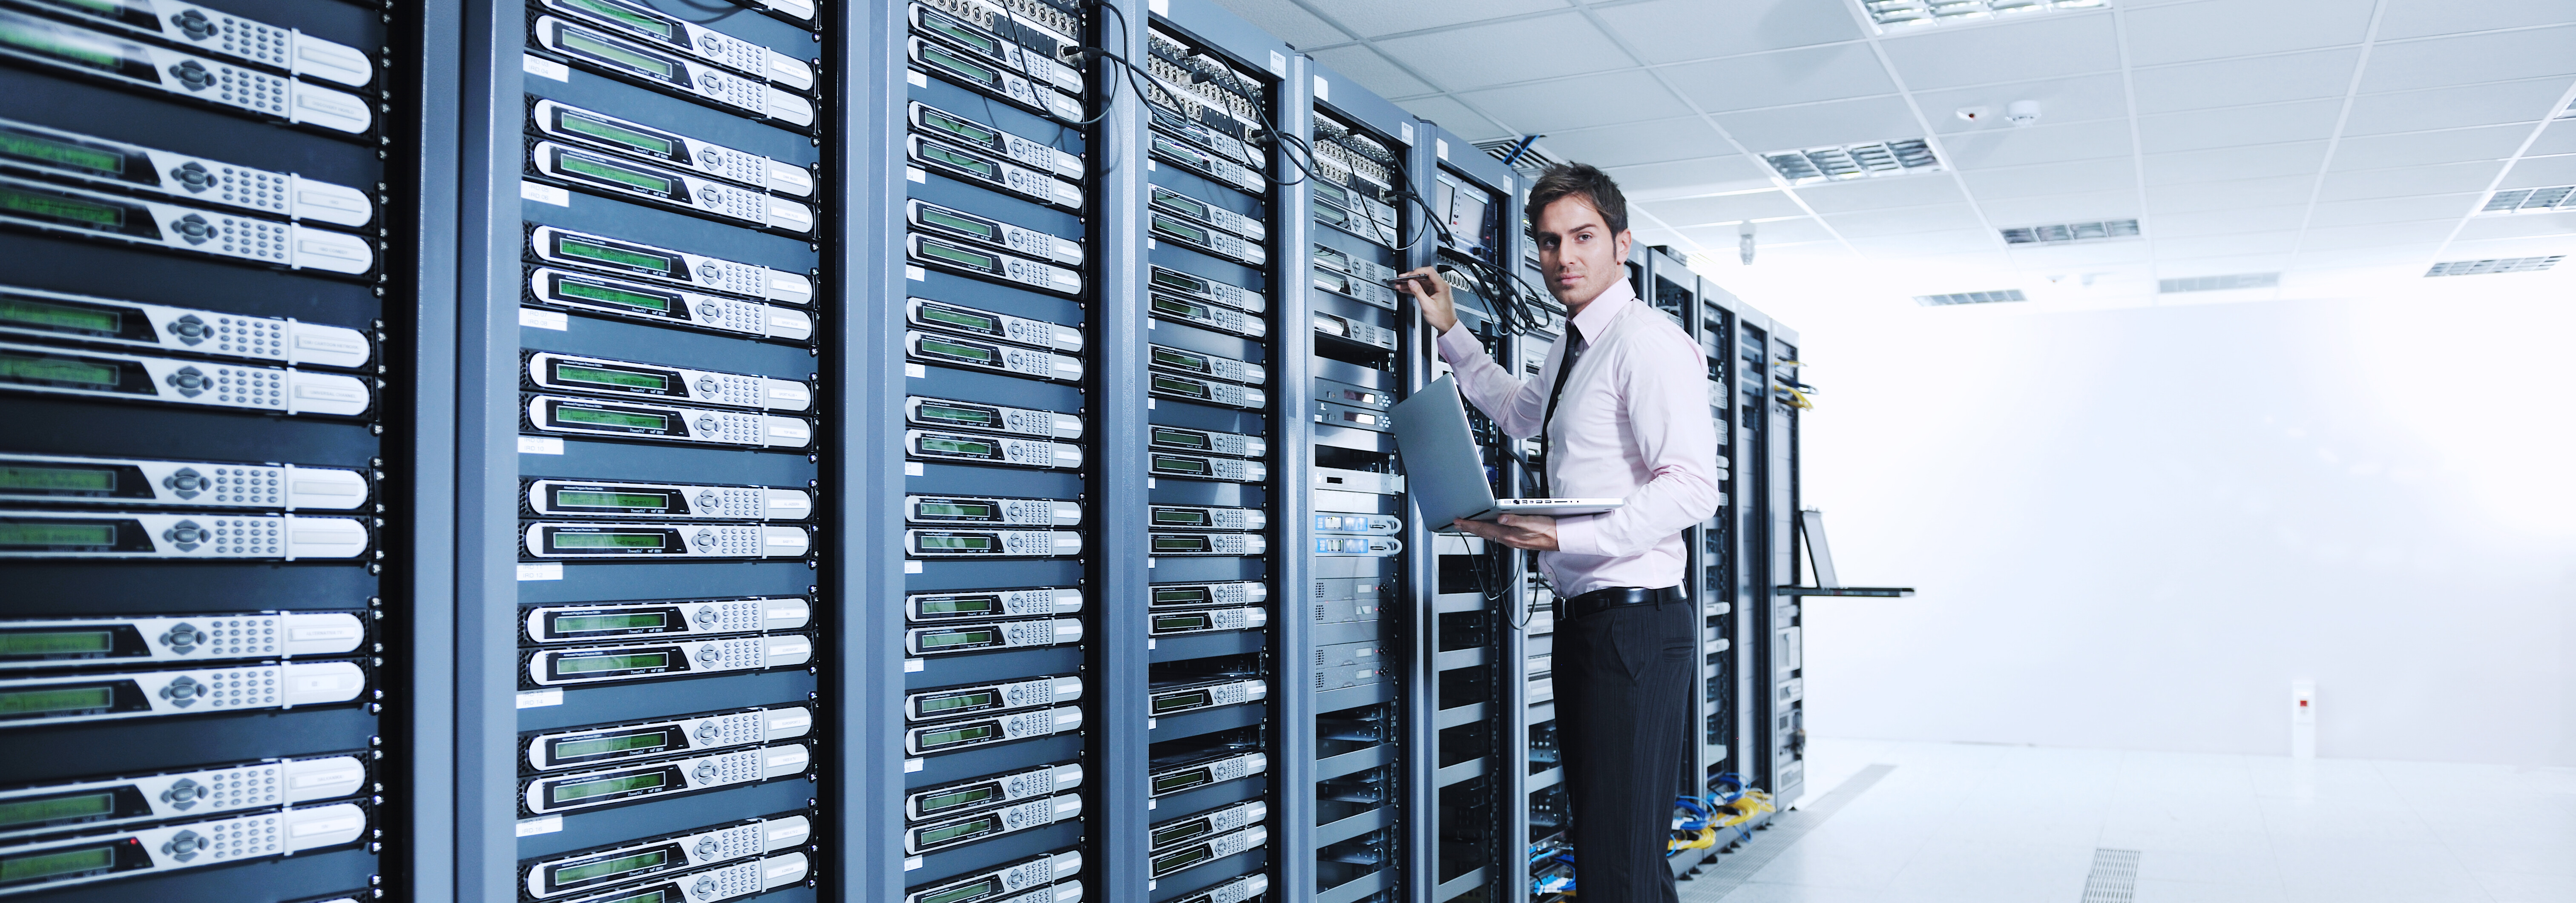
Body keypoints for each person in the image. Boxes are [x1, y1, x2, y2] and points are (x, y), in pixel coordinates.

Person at [1400, 163, 1721, 903]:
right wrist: (1451, 334)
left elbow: (1692, 486)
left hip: (1633, 625)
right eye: (1548, 243)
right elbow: (1519, 412)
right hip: (1593, 625)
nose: (1563, 258)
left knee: (1616, 867)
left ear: (1622, 243)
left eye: (1582, 237)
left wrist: (1557, 537)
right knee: (1622, 856)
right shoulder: (1575, 345)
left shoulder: (1647, 343)